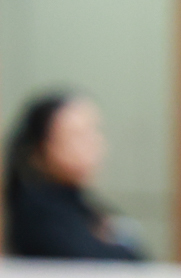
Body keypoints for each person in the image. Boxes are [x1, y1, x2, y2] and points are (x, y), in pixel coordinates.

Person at [3, 93, 144, 261]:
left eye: (95, 131)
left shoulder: (84, 206)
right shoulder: (38, 212)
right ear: (42, 146)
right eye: (78, 135)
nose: (93, 144)